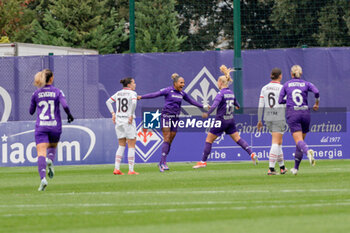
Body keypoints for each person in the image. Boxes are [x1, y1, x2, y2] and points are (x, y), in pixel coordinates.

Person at [138, 73, 208, 172]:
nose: (183, 84)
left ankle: (162, 162)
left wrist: (203, 106)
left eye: (184, 83)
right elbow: (155, 94)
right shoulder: (168, 90)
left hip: (175, 118)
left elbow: (191, 101)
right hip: (166, 116)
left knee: (170, 140)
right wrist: (141, 97)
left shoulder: (182, 93)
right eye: (181, 83)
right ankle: (162, 163)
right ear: (175, 83)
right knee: (166, 138)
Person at [193, 65, 258, 169]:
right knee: (238, 138)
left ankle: (203, 162)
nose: (217, 84)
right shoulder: (231, 93)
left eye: (218, 82)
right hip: (230, 120)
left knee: (209, 140)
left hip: (221, 120)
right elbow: (238, 105)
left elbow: (214, 105)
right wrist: (236, 106)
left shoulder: (220, 93)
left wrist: (207, 113)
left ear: (221, 83)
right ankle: (251, 153)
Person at [29, 69, 74, 191]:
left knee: (40, 153)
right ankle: (50, 160)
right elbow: (65, 105)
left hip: (41, 127)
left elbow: (31, 111)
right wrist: (69, 115)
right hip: (55, 126)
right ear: (52, 78)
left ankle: (43, 179)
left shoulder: (36, 93)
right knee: (52, 148)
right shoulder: (57, 91)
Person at [278, 65, 319, 175]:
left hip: (293, 113)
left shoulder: (286, 84)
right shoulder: (306, 83)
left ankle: (308, 152)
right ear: (300, 74)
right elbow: (317, 92)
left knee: (299, 142)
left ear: (292, 74)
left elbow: (280, 100)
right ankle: (295, 168)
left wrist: (288, 101)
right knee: (300, 142)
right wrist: (316, 103)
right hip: (305, 113)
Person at [257, 68, 287, 175]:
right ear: (280, 76)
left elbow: (261, 105)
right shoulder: (282, 88)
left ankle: (282, 167)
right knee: (275, 142)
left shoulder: (264, 88)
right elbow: (286, 103)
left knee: (279, 142)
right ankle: (271, 168)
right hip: (278, 116)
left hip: (267, 117)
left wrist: (259, 119)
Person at [106, 77, 139, 175]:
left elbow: (108, 102)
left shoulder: (118, 93)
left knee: (121, 144)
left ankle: (116, 168)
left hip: (119, 121)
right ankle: (131, 170)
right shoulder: (133, 93)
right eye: (133, 83)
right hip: (128, 121)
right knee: (131, 144)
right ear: (129, 85)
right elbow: (133, 102)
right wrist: (131, 115)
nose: (135, 84)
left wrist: (113, 114)